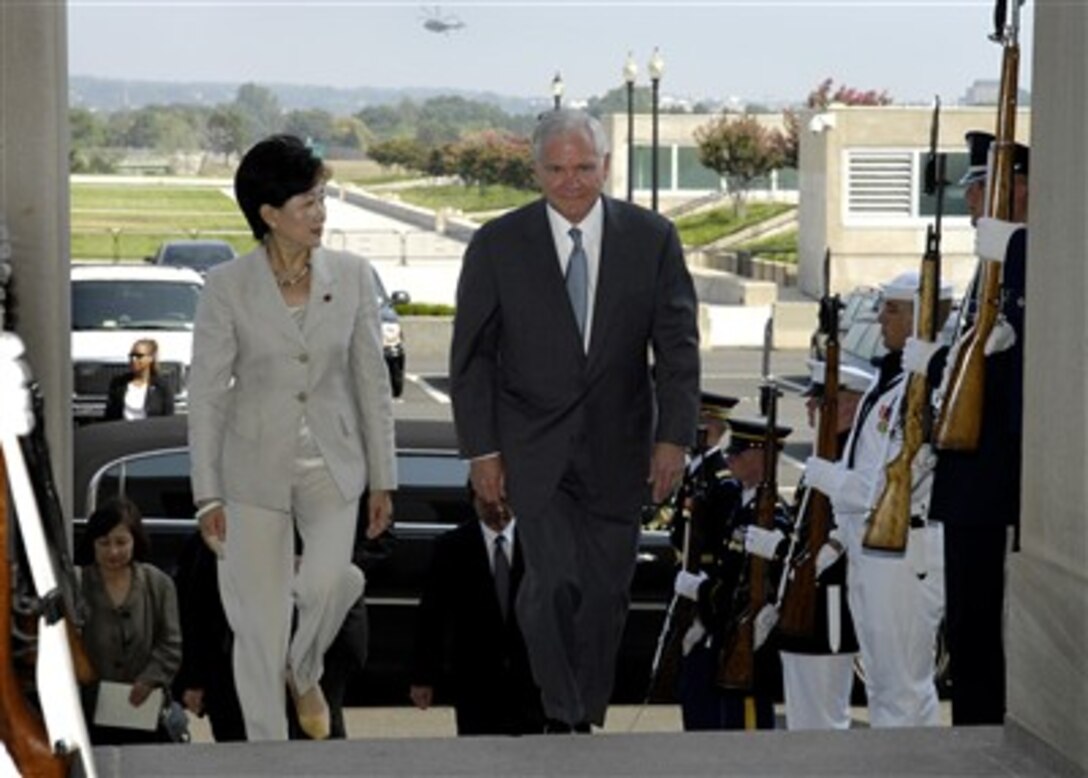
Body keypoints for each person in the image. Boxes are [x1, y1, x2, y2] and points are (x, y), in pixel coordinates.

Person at [449, 108, 700, 732]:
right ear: (535, 170)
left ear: (606, 166)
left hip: (621, 451)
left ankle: (586, 713)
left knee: (607, 595)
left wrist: (673, 438)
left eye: (584, 167)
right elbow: (472, 359)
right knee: (551, 582)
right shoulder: (497, 245)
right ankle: (563, 715)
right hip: (533, 452)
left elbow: (678, 350)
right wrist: (482, 453)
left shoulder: (653, 239)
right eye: (557, 169)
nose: (571, 181)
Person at [187, 133, 397, 741]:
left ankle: (303, 665)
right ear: (269, 213)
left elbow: (370, 382)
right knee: (257, 625)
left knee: (333, 579)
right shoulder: (227, 286)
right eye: (308, 202)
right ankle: (266, 755)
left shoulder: (354, 277)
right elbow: (204, 395)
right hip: (251, 467)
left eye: (323, 199)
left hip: (333, 464)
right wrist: (208, 494)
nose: (321, 214)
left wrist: (383, 478)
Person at [904, 131, 1030, 726]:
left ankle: (986, 731)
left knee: (986, 622)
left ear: (1018, 189)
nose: (971, 202)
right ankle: (975, 729)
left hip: (996, 474)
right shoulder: (991, 265)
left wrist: (1024, 250)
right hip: (969, 475)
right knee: (968, 627)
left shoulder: (1022, 260)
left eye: (982, 187)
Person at [803, 271, 953, 728]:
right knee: (882, 683)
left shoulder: (929, 383)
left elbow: (888, 482)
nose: (880, 317)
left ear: (919, 317)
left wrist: (825, 477)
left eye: (891, 308)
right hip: (872, 552)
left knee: (903, 685)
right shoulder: (889, 379)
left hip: (904, 552)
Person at [672, 417, 792, 730]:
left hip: (748, 639)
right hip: (726, 630)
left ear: (763, 458)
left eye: (739, 453)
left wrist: (700, 591)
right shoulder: (739, 505)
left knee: (747, 726)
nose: (730, 458)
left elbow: (761, 583)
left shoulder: (772, 516)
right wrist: (704, 614)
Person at [775, 360, 871, 731]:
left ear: (848, 405)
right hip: (804, 605)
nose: (809, 409)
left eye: (819, 402)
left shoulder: (853, 455)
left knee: (825, 717)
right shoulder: (826, 454)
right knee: (803, 716)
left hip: (829, 607)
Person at [408, 486, 543, 735]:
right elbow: (433, 615)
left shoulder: (540, 543)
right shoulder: (451, 548)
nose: (500, 509)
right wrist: (423, 676)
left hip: (532, 681)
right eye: (490, 503)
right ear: (474, 501)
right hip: (475, 681)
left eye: (505, 500)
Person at [76, 497, 182, 745]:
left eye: (121, 542)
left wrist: (149, 679)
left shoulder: (158, 584)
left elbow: (171, 643)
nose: (113, 551)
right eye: (104, 543)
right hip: (90, 711)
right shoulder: (77, 583)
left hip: (144, 711)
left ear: (135, 541)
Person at [103, 338, 175, 421]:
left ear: (150, 358)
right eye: (131, 356)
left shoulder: (162, 386)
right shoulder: (119, 384)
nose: (133, 360)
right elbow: (110, 416)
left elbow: (168, 417)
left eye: (139, 356)